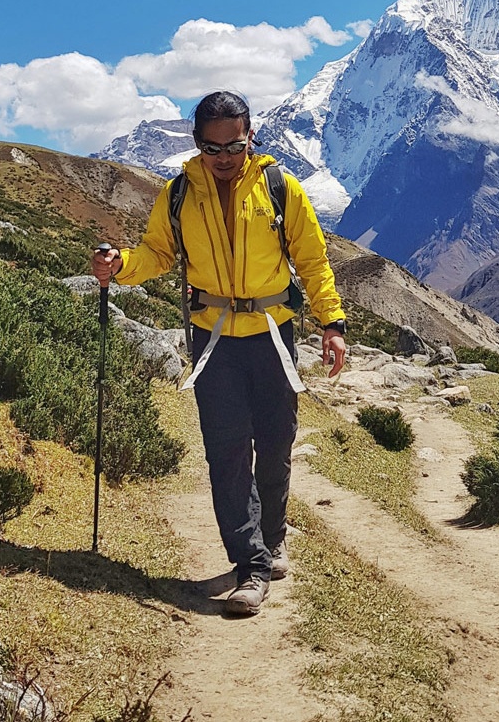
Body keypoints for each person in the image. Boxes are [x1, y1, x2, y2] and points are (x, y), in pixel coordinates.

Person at [91, 90, 347, 617]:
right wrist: (122, 268)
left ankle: (270, 541)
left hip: (273, 332)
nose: (225, 157)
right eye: (213, 147)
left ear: (250, 135)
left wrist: (332, 323)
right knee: (227, 451)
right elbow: (159, 252)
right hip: (212, 337)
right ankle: (251, 565)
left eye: (234, 144)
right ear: (197, 143)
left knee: (275, 444)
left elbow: (313, 260)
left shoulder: (281, 188)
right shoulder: (180, 192)